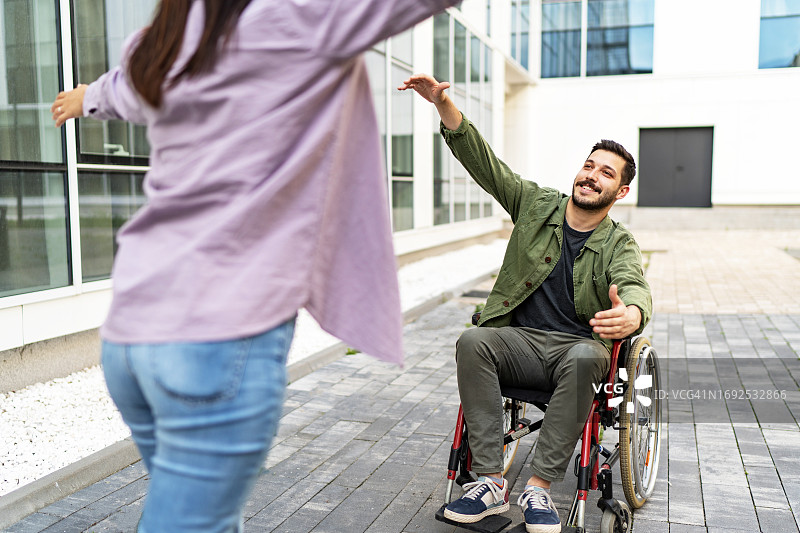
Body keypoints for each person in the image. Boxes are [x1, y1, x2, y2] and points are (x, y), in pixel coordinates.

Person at [50, 2, 459, 531]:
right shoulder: (294, 17)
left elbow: (122, 89)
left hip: (131, 336)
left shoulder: (167, 35)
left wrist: (86, 99)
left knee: (203, 516)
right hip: (215, 342)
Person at [399, 74, 652, 533]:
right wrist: (443, 106)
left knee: (583, 355)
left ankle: (538, 487)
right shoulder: (536, 205)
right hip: (517, 342)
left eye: (606, 173)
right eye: (589, 165)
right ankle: (492, 483)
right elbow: (486, 164)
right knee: (474, 339)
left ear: (621, 192)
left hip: (573, 353)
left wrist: (631, 313)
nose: (592, 176)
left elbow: (633, 285)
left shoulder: (620, 243)